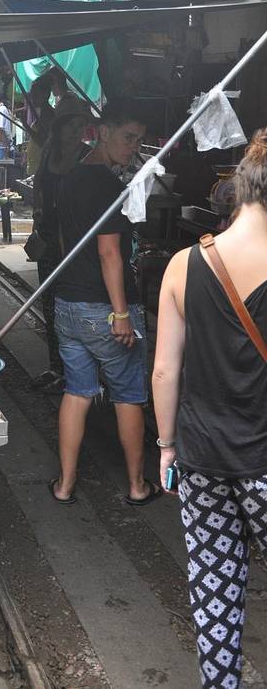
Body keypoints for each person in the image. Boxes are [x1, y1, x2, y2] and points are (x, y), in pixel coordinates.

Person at [152, 129, 267, 689]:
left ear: (238, 189)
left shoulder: (182, 264)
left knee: (215, 592)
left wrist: (166, 447)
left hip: (199, 458)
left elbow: (164, 371)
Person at [51, 99, 156, 506]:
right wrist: (121, 313)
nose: (134, 147)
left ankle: (64, 485)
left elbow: (67, 243)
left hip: (68, 303)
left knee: (77, 392)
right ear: (104, 132)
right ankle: (137, 485)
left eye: (139, 140)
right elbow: (109, 253)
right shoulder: (110, 188)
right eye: (129, 137)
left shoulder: (70, 178)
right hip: (104, 308)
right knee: (128, 395)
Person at [31, 95, 92, 374]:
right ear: (59, 127)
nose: (77, 131)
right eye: (71, 125)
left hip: (76, 242)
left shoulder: (87, 157)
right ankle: (56, 366)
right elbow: (38, 184)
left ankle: (74, 369)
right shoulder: (49, 152)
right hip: (48, 238)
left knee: (73, 305)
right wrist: (37, 211)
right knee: (50, 304)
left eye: (81, 125)